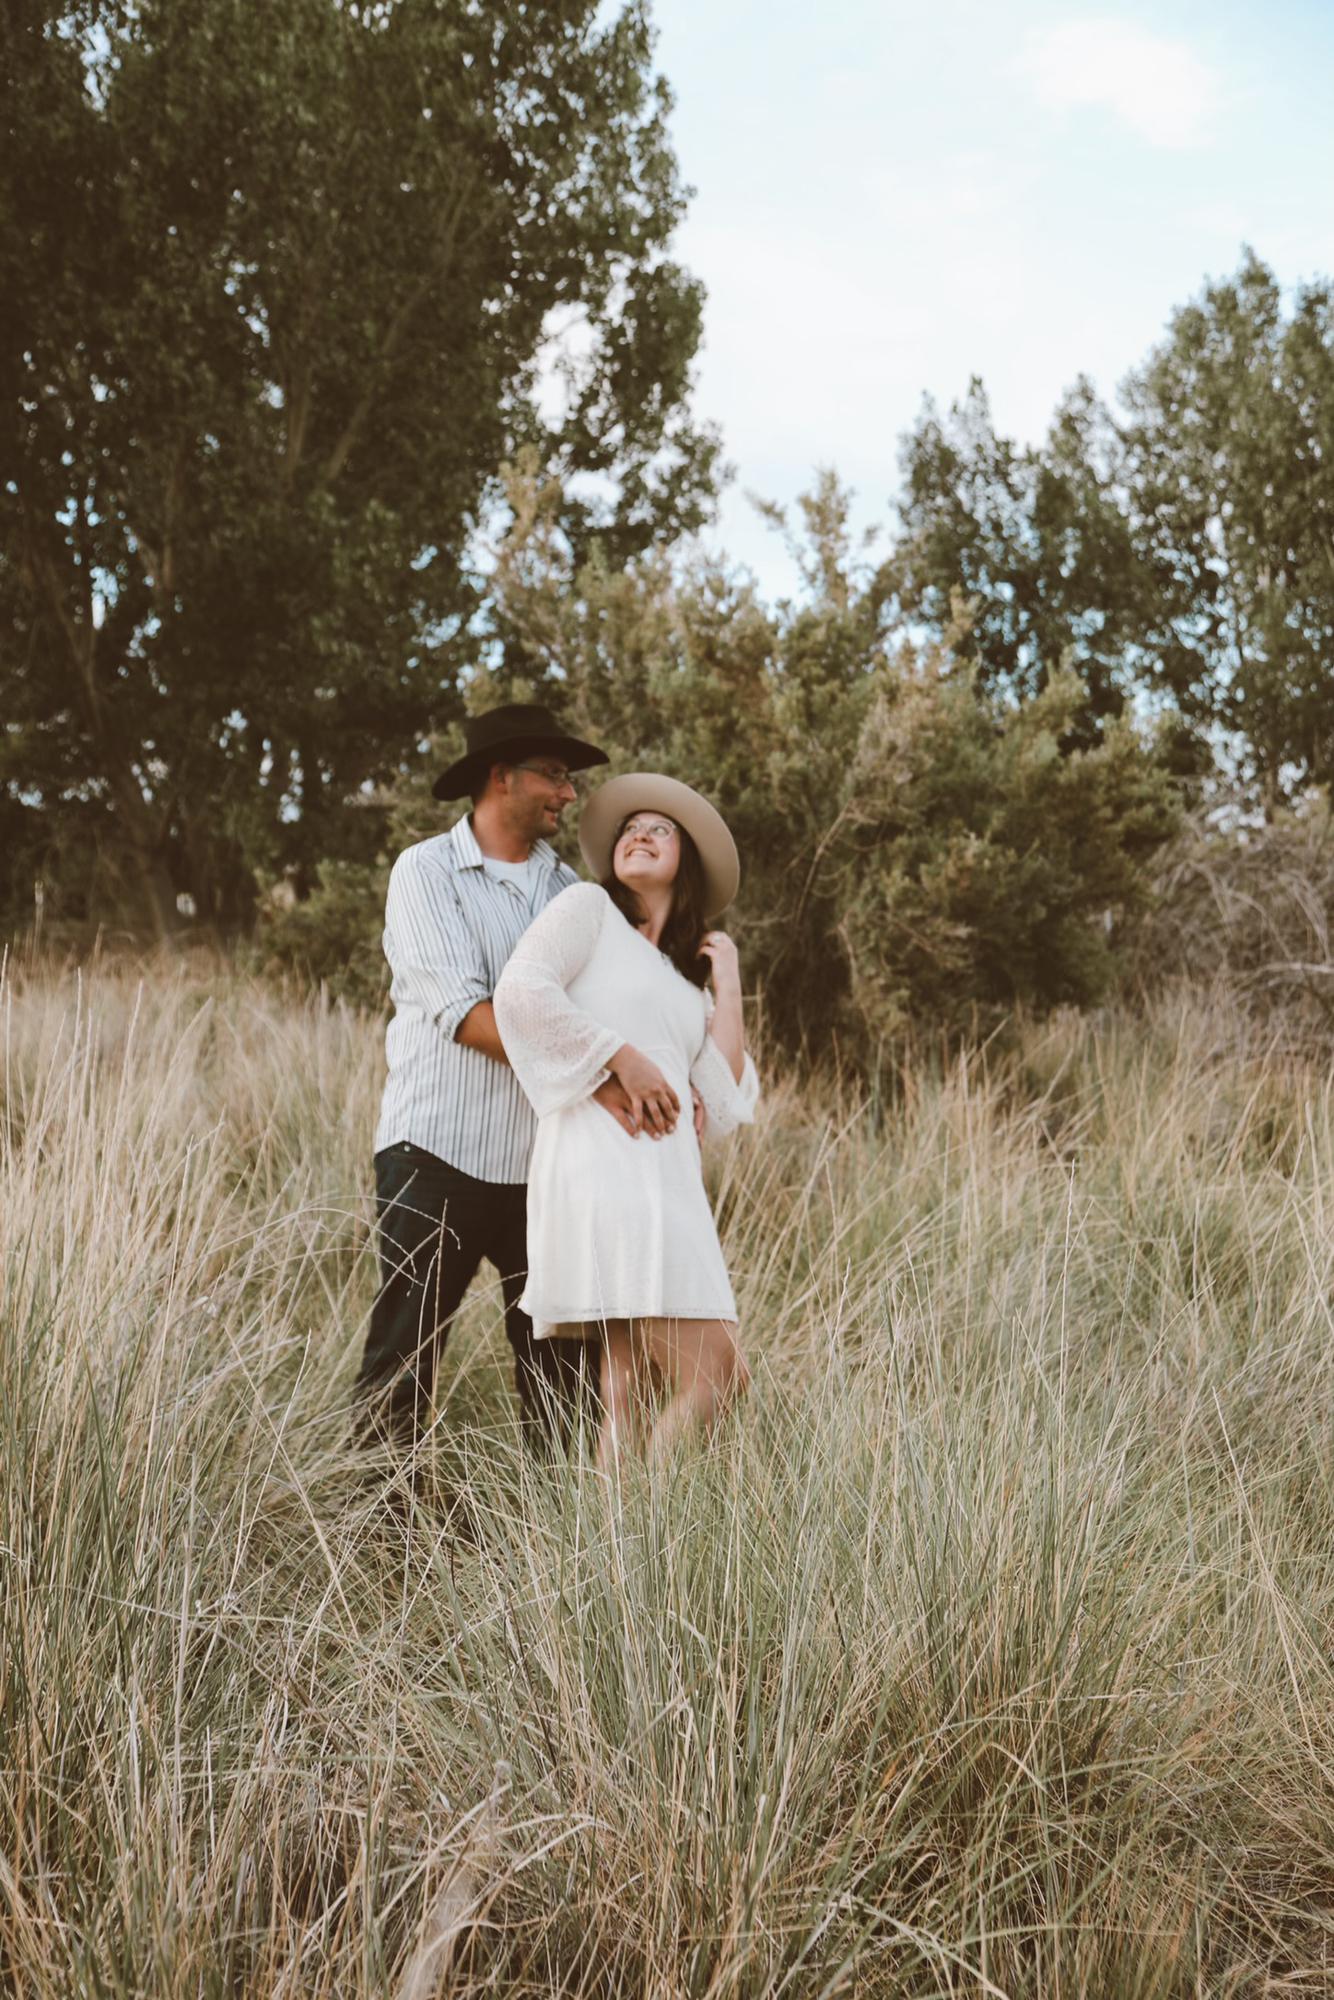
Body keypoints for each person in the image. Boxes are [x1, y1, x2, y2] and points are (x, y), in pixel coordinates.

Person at [356, 701, 627, 1456]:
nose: (568, 793)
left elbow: (598, 1006)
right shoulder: (426, 872)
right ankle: (381, 1522)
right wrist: (602, 1074)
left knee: (561, 1365)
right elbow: (466, 1014)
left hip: (545, 1166)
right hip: (435, 1154)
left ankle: (554, 1516)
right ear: (501, 777)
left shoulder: (570, 891)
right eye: (554, 775)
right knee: (404, 1354)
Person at [493, 774, 759, 1468]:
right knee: (717, 1374)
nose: (639, 834)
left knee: (630, 1390)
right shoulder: (588, 909)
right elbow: (521, 992)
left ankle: (619, 1532)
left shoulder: (682, 982)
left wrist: (728, 981)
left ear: (686, 858)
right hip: (602, 1165)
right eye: (630, 828)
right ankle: (652, 1514)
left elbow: (722, 1092)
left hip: (671, 1181)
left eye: (659, 829)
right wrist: (620, 1058)